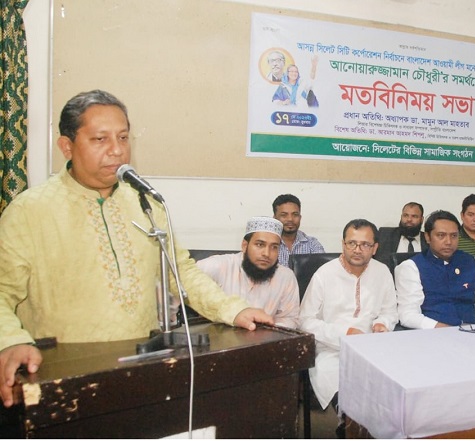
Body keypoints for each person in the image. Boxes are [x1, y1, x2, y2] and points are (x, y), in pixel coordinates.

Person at [0, 90, 273, 408]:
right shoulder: (29, 211)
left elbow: (180, 271)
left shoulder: (145, 204)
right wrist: (10, 341)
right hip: (64, 377)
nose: (117, 150)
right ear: (66, 146)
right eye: (100, 139)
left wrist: (232, 309)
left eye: (123, 137)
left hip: (143, 369)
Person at [299, 219, 397, 425]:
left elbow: (389, 311)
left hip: (372, 345)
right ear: (343, 244)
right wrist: (345, 334)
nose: (357, 250)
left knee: (392, 388)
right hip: (332, 348)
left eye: (365, 244)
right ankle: (349, 424)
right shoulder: (324, 274)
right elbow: (305, 321)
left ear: (375, 248)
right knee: (341, 386)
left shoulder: (382, 271)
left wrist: (383, 324)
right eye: (352, 243)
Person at [395, 210, 475, 328]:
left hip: (474, 332)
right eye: (441, 235)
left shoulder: (471, 262)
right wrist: (444, 329)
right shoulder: (411, 267)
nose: (448, 242)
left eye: (454, 236)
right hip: (434, 334)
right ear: (427, 237)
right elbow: (407, 315)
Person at [196, 216, 300, 328]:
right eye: (260, 245)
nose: (266, 253)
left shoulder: (286, 277)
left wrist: (266, 330)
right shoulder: (217, 266)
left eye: (274, 247)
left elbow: (289, 319)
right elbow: (184, 285)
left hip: (265, 337)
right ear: (245, 245)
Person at [272, 194, 325, 267]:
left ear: (300, 217)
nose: (290, 219)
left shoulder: (312, 244)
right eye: (284, 215)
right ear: (275, 218)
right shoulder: (267, 244)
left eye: (295, 214)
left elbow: (322, 270)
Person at [374, 201, 428, 267]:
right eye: (405, 215)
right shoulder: (384, 235)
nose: (409, 219)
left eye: (414, 216)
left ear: (422, 219)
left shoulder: (428, 240)